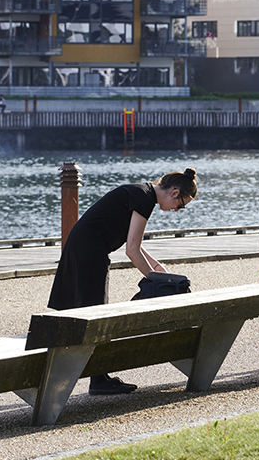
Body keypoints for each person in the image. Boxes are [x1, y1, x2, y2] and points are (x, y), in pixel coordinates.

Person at [47, 168, 198, 395]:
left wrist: (159, 270)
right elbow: (132, 250)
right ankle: (93, 379)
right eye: (181, 205)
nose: (177, 210)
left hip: (85, 246)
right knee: (93, 313)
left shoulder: (143, 192)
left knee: (87, 309)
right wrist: (157, 282)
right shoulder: (144, 199)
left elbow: (134, 242)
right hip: (89, 250)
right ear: (174, 193)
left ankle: (93, 376)